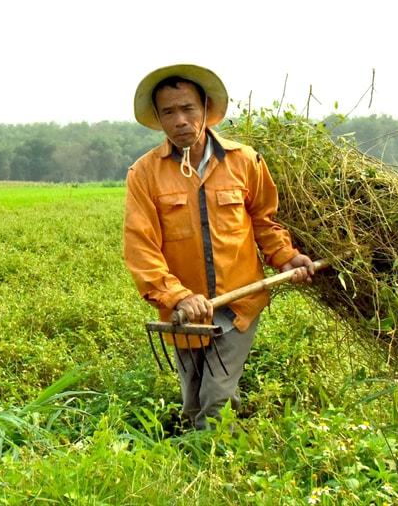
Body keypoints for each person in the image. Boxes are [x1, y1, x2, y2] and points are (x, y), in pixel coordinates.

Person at [123, 63, 315, 430]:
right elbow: (140, 246)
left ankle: (213, 472)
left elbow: (264, 222)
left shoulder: (245, 161)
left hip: (240, 299)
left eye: (188, 109)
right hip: (184, 310)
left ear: (206, 109)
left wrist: (286, 257)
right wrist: (178, 296)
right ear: (159, 120)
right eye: (169, 112)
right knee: (194, 398)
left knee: (215, 399)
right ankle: (223, 450)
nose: (180, 120)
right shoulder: (145, 173)